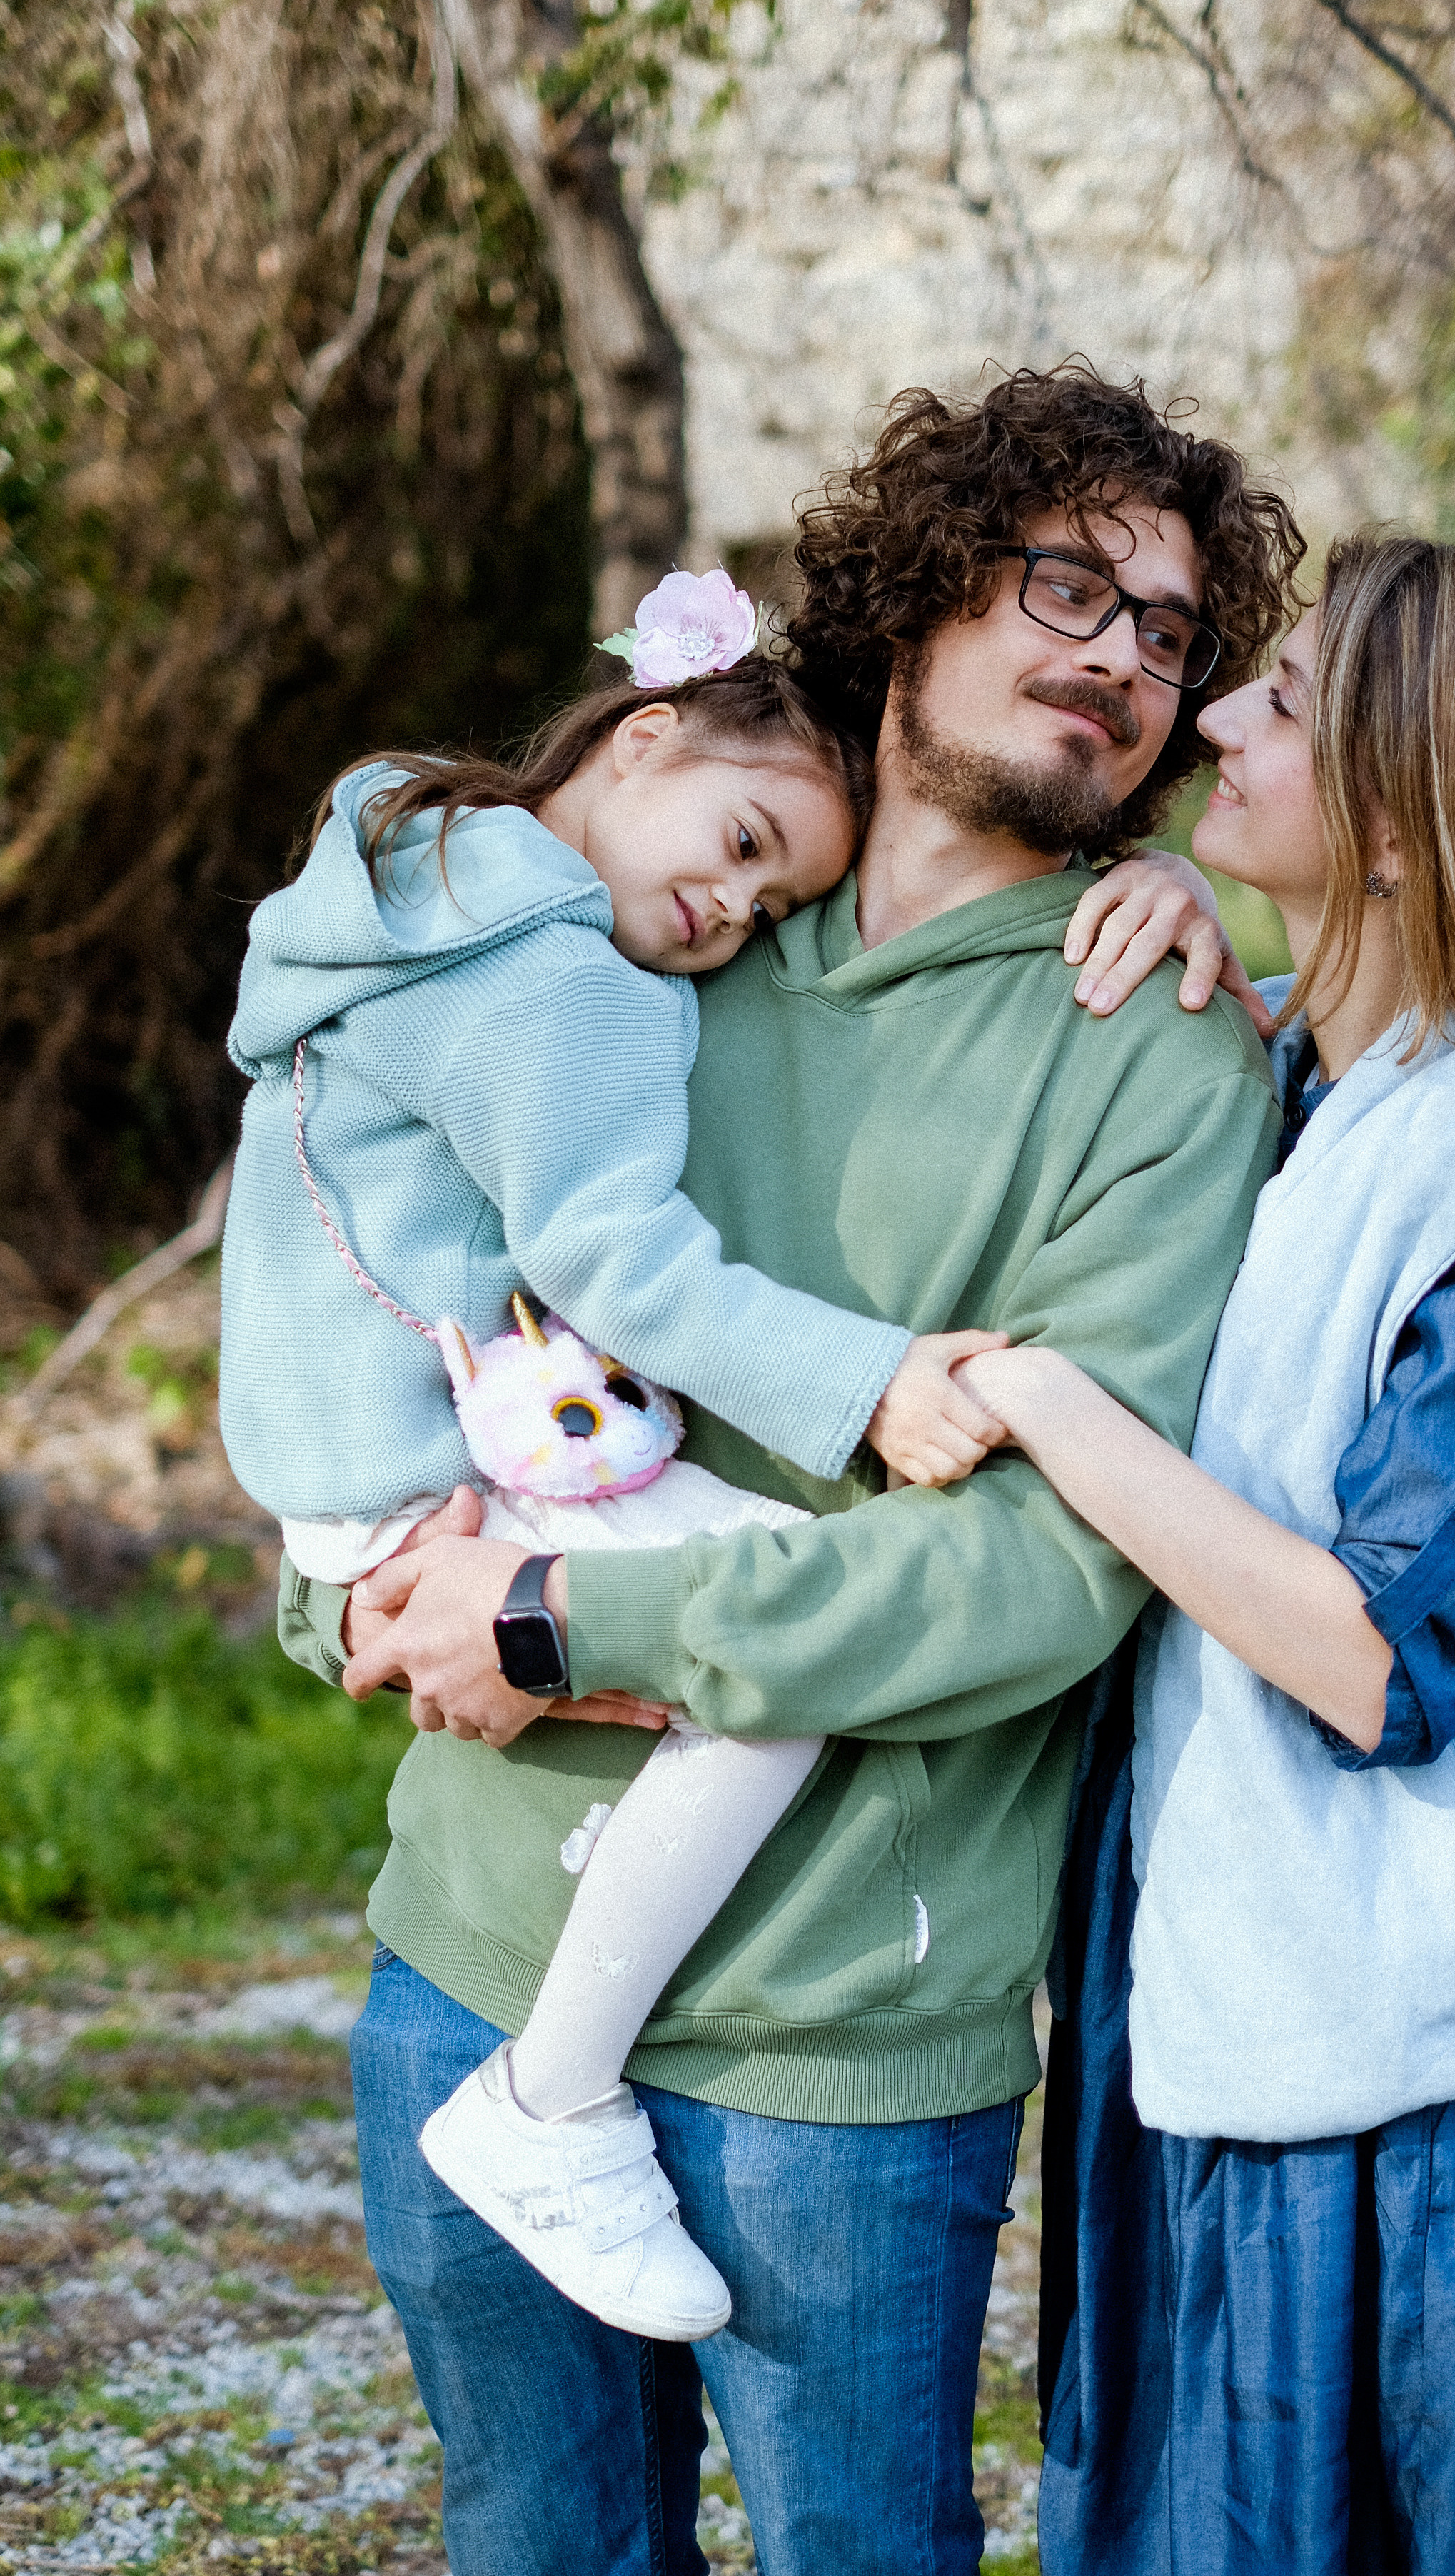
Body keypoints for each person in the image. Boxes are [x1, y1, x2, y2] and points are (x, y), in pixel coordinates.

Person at [276, 361, 1304, 2575]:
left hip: (836, 2043)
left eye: (1169, 637)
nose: (1124, 654)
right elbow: (365, 1220)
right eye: (1069, 584)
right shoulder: (670, 920)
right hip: (464, 1950)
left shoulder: (1157, 1052)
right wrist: (345, 1584)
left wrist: (572, 1617)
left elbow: (1043, 1571)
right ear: (923, 586)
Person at [953, 534, 1455, 2576]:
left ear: (1400, 815)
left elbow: (1385, 1664)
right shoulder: (1314, 1089)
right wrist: (1211, 927)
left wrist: (1038, 1400)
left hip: (1424, 2077)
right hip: (1209, 2018)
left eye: (1273, 703)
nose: (1205, 716)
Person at [222, 611, 1039, 2343]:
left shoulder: (404, 877)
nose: (728, 919)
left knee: (724, 1631)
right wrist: (875, 1381)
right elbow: (623, 1268)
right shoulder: (561, 979)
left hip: (350, 1457)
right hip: (436, 1456)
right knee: (780, 1634)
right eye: (743, 848)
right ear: (645, 732)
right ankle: (556, 2097)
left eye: (767, 909)